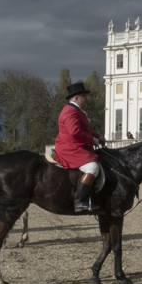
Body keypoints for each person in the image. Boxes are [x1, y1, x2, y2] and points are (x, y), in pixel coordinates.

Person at [55, 82, 104, 212]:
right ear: (76, 98)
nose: (86, 99)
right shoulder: (70, 112)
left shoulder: (77, 111)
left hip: (76, 146)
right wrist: (92, 140)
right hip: (69, 148)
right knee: (92, 167)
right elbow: (75, 132)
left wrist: (98, 136)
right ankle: (80, 201)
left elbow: (85, 129)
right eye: (84, 96)